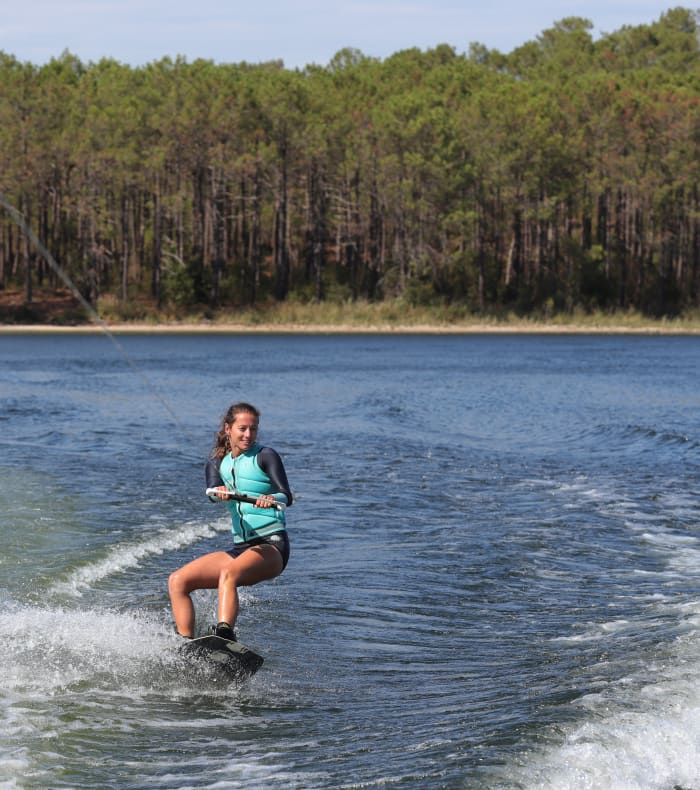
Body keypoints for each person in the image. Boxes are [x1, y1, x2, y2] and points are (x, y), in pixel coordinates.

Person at [168, 402, 293, 641]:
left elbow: (286, 495)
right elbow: (212, 492)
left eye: (253, 429)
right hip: (241, 548)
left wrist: (271, 498)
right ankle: (186, 645)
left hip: (271, 546)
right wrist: (218, 491)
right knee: (178, 580)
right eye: (242, 428)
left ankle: (224, 636)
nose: (248, 434)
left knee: (229, 572)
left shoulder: (265, 456)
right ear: (228, 428)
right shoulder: (216, 463)